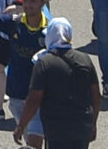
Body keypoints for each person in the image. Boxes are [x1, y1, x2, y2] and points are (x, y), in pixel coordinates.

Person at [12, 19, 101, 149]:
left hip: (57, 128)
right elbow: (96, 97)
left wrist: (21, 126)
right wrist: (93, 123)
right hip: (82, 126)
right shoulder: (84, 59)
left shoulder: (44, 63)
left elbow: (34, 99)